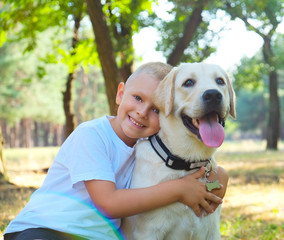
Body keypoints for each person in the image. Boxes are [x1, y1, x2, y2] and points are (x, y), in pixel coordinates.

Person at [3, 62, 228, 240]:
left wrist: (220, 175)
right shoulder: (91, 134)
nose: (141, 112)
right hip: (47, 229)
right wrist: (179, 190)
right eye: (137, 98)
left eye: (154, 109)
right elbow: (109, 204)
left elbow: (184, 164)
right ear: (120, 93)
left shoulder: (150, 148)